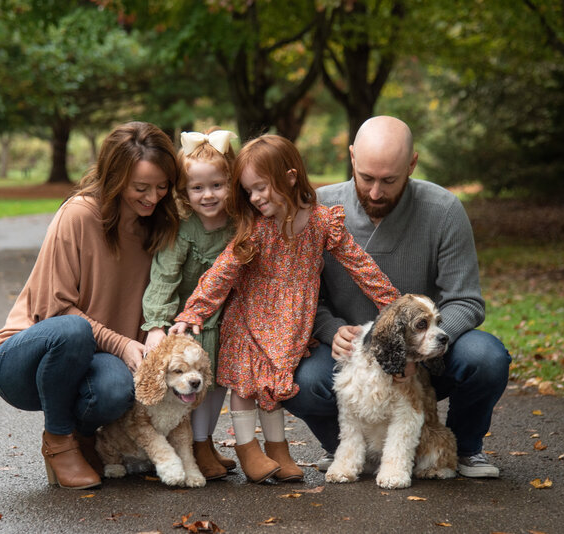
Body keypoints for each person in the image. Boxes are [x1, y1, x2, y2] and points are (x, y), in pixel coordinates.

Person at [280, 116, 512, 478]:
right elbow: (305, 295)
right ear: (352, 157)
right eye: (367, 178)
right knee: (298, 380)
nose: (375, 193)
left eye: (389, 180)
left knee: (487, 357)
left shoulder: (444, 210)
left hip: (427, 352)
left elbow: (466, 301)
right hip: (351, 356)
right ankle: (345, 447)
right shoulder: (319, 209)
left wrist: (415, 349)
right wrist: (330, 329)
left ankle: (464, 448)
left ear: (412, 164)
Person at [169, 134, 399, 484]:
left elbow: (360, 266)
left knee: (274, 389)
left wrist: (394, 305)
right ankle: (248, 450)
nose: (256, 198)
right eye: (248, 191)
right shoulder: (257, 230)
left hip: (290, 326)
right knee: (246, 389)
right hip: (250, 319)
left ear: (290, 177)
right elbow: (222, 273)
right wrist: (194, 312)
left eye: (262, 187)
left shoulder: (322, 222)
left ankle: (278, 450)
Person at [0, 121, 180, 490]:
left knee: (117, 388)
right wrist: (122, 343)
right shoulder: (79, 214)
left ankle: (84, 437)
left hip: (95, 362)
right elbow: (53, 312)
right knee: (73, 331)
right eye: (140, 188)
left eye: (161, 187)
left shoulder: (159, 226)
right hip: (24, 362)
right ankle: (58, 441)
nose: (152, 198)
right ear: (115, 178)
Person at [141, 128, 238, 481]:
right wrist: (155, 324)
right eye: (197, 188)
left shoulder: (239, 225)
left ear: (232, 182)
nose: (208, 195)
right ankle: (196, 445)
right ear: (184, 192)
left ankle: (206, 441)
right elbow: (164, 277)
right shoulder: (184, 229)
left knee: (218, 385)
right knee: (195, 386)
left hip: (226, 319)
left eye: (217, 185)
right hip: (191, 324)